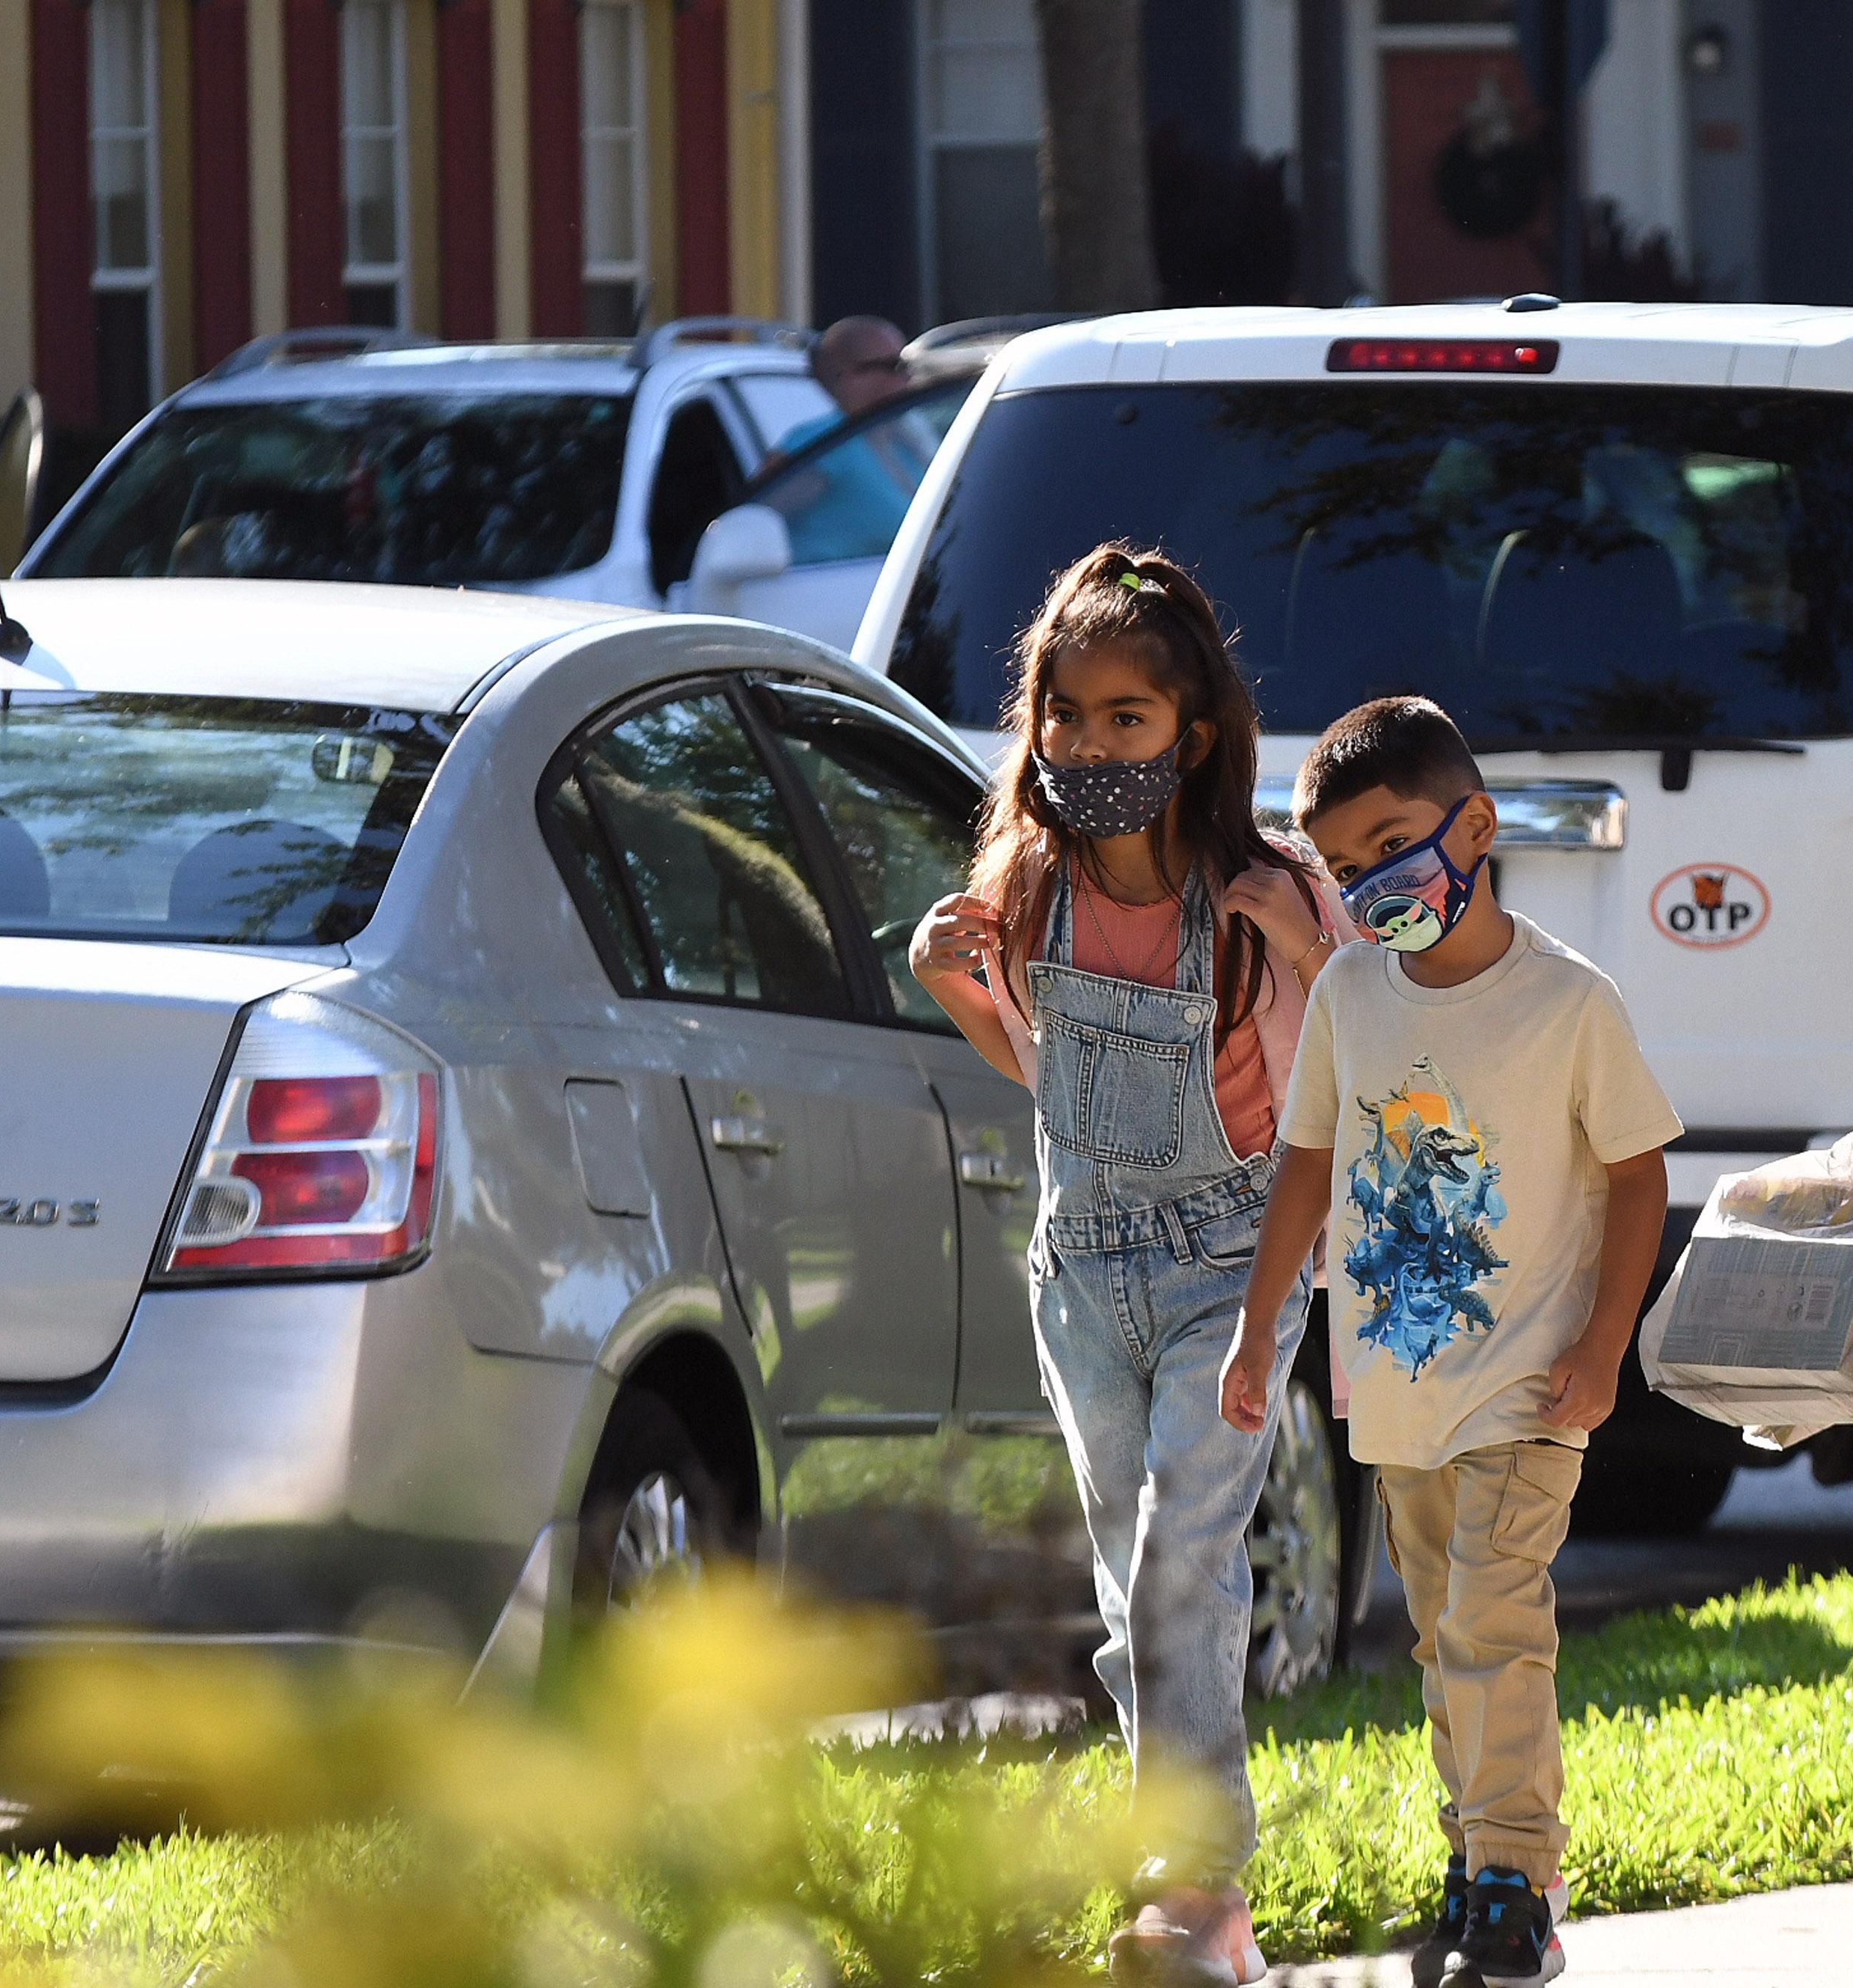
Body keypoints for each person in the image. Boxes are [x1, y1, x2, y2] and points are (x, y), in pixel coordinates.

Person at [907, 544, 1354, 1987]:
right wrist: (950, 986)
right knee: (1130, 1573)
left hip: (1236, 1258)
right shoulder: (1025, 884)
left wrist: (1314, 944)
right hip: (1080, 1268)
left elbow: (1358, 1061)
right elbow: (1045, 1075)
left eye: (1127, 720)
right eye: (1067, 715)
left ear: (1196, 733)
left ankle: (1195, 1883)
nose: (1089, 745)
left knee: (1183, 1558)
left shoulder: (1257, 890)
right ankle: (1186, 1865)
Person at [1222, 697, 1682, 1988]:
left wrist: (1605, 1346)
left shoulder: (1568, 1004)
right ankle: (1474, 1849)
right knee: (1442, 1638)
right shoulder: (1351, 999)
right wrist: (1262, 1327)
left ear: (1476, 825)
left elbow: (1638, 1176)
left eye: (1397, 842)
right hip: (1400, 1397)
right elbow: (1307, 1167)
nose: (1377, 883)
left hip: (1531, 1386)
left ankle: (1515, 1879)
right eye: (1349, 864)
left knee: (1493, 1621)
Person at [766, 316, 935, 563]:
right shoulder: (821, 444)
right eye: (894, 366)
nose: (907, 377)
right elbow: (749, 522)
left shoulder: (908, 438)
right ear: (849, 376)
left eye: (908, 366)